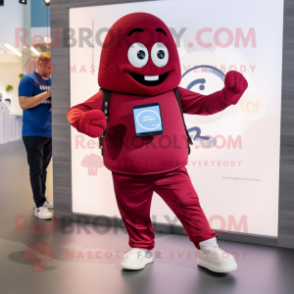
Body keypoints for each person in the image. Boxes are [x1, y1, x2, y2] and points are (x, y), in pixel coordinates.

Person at [67, 13, 248, 273]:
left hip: (171, 169)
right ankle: (141, 248)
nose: (151, 67)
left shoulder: (173, 92)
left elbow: (205, 105)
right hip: (127, 171)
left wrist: (228, 95)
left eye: (159, 54)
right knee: (133, 213)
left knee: (189, 205)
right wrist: (85, 121)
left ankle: (208, 248)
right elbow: (76, 111)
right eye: (139, 54)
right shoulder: (109, 94)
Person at [18, 52, 54, 220]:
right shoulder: (28, 80)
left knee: (43, 169)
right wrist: (47, 94)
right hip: (32, 133)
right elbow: (24, 103)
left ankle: (42, 199)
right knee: (36, 169)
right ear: (40, 64)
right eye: (49, 67)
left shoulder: (51, 81)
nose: (51, 70)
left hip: (49, 132)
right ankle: (38, 205)